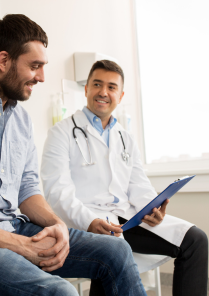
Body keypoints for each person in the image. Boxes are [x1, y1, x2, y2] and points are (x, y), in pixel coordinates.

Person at [0, 15, 147, 296]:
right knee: (61, 292)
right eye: (34, 66)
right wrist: (20, 245)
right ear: (4, 60)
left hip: (12, 227)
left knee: (116, 250)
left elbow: (27, 191)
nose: (42, 77)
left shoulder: (20, 119)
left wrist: (58, 225)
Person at [41, 59, 208, 296]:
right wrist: (89, 221)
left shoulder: (124, 138)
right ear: (86, 89)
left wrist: (153, 207)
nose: (103, 92)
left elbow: (138, 184)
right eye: (97, 84)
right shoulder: (61, 133)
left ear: (120, 95)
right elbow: (57, 192)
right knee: (111, 253)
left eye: (111, 87)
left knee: (195, 240)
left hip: (126, 219)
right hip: (85, 221)